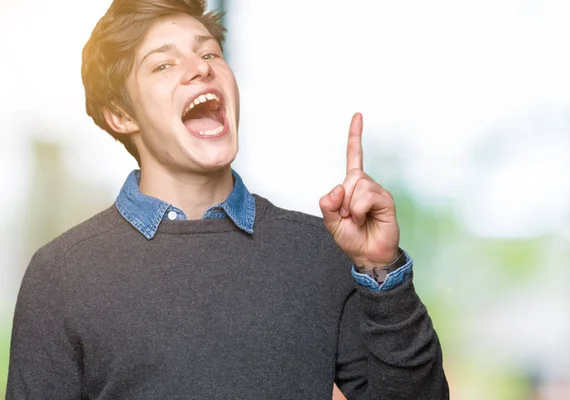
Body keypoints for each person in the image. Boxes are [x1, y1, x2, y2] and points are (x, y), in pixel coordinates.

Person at [7, 0, 449, 398]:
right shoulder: (62, 275)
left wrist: (380, 269)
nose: (200, 68)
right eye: (162, 65)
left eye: (208, 53)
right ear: (122, 116)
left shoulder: (320, 252)